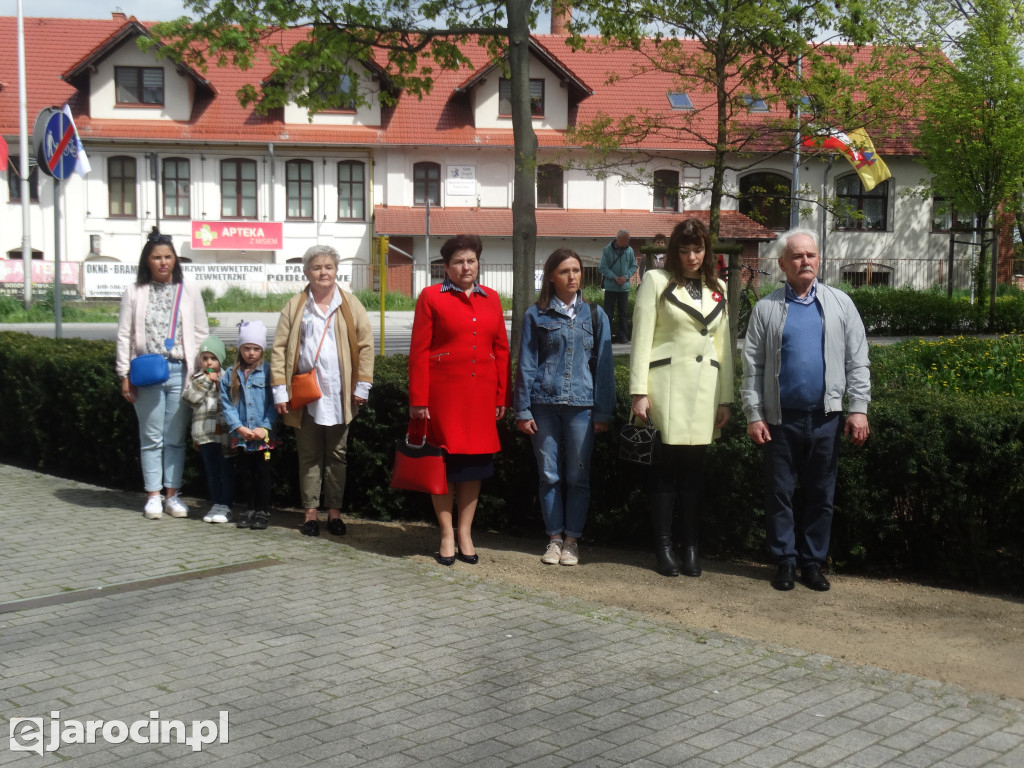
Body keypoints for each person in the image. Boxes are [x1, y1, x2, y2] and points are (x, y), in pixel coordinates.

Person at [741, 227, 871, 592]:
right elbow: (753, 366)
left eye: (810, 255)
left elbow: (857, 361)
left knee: (820, 495)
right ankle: (785, 561)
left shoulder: (840, 304)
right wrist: (754, 413)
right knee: (779, 493)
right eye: (797, 256)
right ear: (782, 264)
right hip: (780, 420)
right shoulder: (766, 308)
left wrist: (858, 408)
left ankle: (812, 562)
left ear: (819, 259)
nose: (805, 261)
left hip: (826, 418)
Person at [629, 219, 733, 577]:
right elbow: (641, 337)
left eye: (698, 249)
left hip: (705, 390)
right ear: (675, 250)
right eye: (685, 249)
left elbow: (724, 348)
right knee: (663, 471)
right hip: (665, 388)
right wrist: (638, 392)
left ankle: (691, 546)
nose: (691, 256)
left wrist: (726, 398)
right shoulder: (656, 282)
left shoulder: (719, 286)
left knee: (693, 473)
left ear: (707, 251)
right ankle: (663, 547)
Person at [408, 234, 511, 566]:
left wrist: (501, 395)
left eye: (471, 260)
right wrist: (418, 399)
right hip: (443, 398)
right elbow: (419, 352)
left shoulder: (493, 298)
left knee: (473, 468)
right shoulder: (430, 297)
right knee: (445, 466)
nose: (466, 267)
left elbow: (501, 351)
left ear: (478, 263)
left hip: (481, 397)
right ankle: (446, 533)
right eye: (458, 262)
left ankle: (465, 531)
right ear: (446, 266)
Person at [513, 248, 615, 567]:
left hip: (582, 408)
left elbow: (605, 368)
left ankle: (572, 541)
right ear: (551, 277)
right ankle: (554, 539)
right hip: (543, 405)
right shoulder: (536, 315)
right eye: (564, 271)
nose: (572, 276)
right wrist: (523, 409)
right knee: (549, 475)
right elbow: (526, 365)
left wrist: (602, 412)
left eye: (576, 270)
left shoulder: (596, 315)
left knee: (577, 476)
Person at [271, 245, 375, 537]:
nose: (323, 272)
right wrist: (280, 391)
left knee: (337, 454)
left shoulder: (350, 304)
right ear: (306, 272)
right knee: (309, 454)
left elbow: (366, 345)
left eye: (328, 267)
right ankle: (310, 513)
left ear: (336, 270)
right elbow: (279, 349)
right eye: (317, 267)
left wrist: (362, 385)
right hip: (305, 395)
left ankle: (335, 513)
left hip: (339, 394)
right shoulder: (295, 306)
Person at [116, 228, 209, 520]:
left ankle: (172, 495)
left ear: (175, 260)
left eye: (168, 257)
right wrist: (123, 373)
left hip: (181, 371)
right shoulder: (134, 291)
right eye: (157, 257)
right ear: (147, 261)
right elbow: (124, 336)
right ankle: (153, 496)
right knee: (151, 437)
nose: (163, 262)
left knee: (175, 438)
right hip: (147, 373)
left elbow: (200, 331)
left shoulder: (189, 289)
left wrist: (204, 366)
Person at [221, 321, 277, 530]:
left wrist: (265, 427)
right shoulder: (230, 374)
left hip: (262, 436)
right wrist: (238, 427)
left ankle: (263, 510)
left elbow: (274, 402)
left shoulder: (269, 371)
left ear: (262, 349)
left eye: (256, 349)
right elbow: (227, 404)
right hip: (242, 435)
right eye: (247, 348)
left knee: (262, 472)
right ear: (240, 348)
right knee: (245, 472)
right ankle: (249, 508)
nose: (251, 353)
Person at [182, 336, 236, 524]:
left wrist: (219, 382)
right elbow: (190, 399)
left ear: (219, 360)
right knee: (212, 472)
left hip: (225, 436)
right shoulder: (197, 379)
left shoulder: (228, 377)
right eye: (204, 358)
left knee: (226, 471)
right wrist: (206, 380)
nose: (208, 362)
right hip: (205, 435)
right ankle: (216, 502)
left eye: (212, 358)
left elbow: (234, 400)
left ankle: (226, 505)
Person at [599, 229, 637, 343]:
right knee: (608, 313)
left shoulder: (630, 250)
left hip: (624, 288)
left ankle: (623, 336)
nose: (628, 241)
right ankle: (607, 336)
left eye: (628, 239)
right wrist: (614, 277)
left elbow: (633, 266)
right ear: (619, 239)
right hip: (611, 287)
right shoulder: (607, 250)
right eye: (626, 239)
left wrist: (625, 276)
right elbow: (602, 267)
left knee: (623, 313)